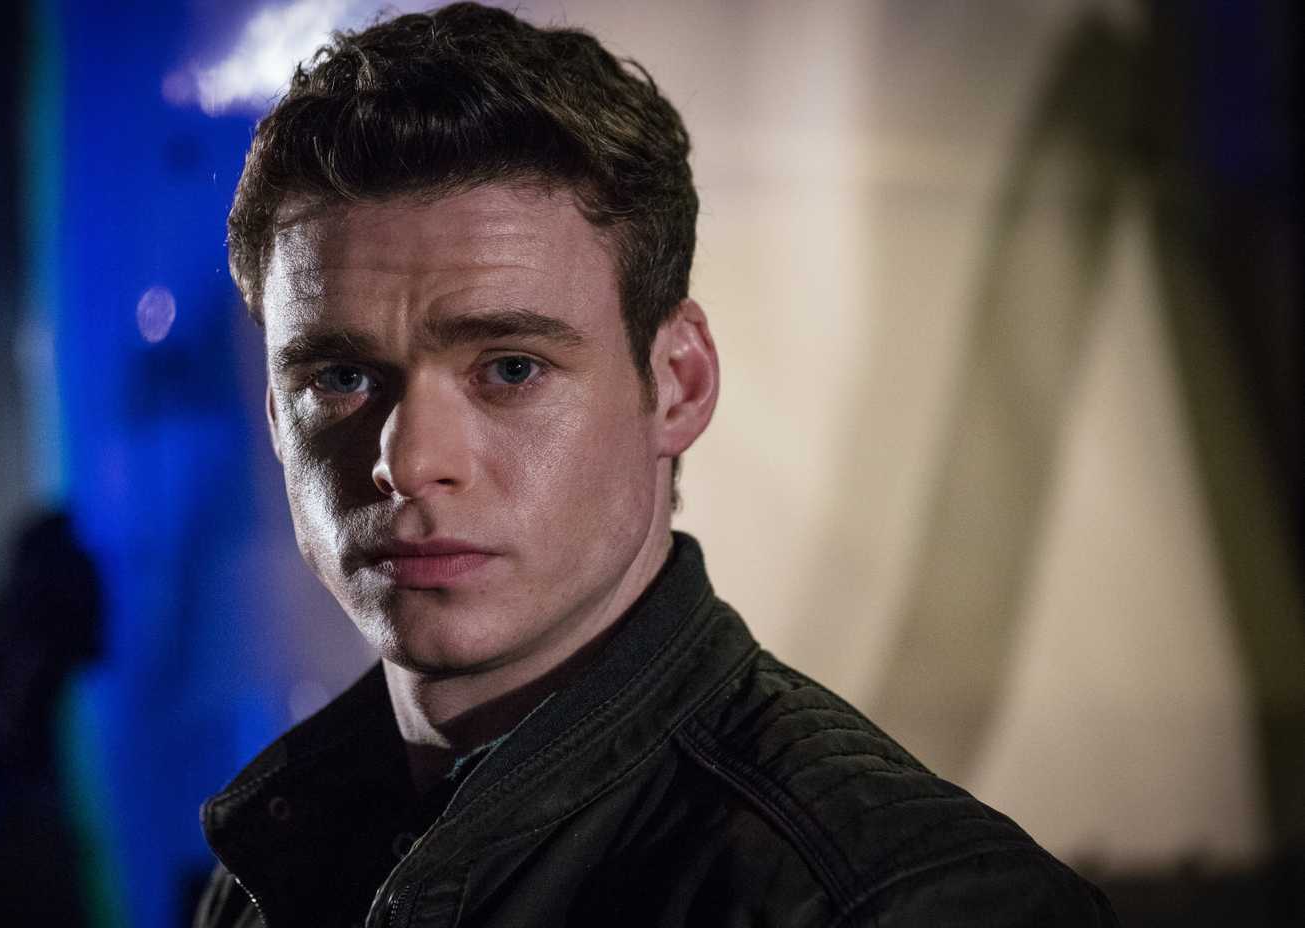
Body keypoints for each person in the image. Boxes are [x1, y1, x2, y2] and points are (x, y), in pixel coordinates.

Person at [195, 4, 1116, 926]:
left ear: (679, 385)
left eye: (511, 368)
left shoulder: (901, 904)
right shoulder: (262, 875)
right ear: (277, 417)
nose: (409, 461)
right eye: (341, 377)